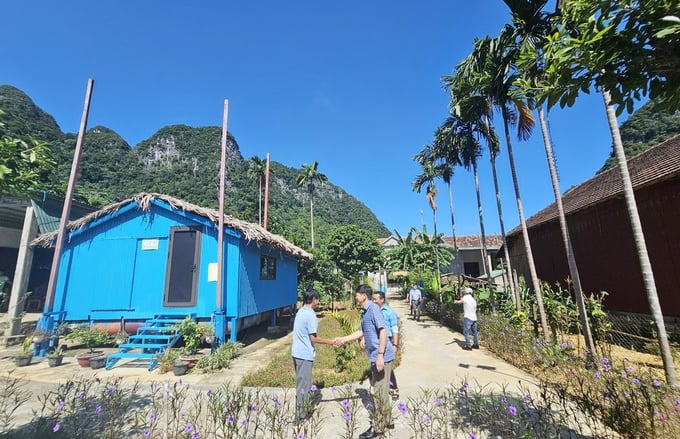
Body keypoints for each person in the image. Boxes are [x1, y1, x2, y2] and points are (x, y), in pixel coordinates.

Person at [336, 284, 395, 439]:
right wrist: (343, 339)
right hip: (375, 355)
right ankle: (388, 420)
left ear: (364, 295)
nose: (355, 297)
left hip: (381, 356)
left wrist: (380, 355)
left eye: (357, 294)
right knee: (381, 390)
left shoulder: (373, 309)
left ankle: (378, 427)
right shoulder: (365, 311)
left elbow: (383, 331)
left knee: (378, 393)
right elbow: (362, 331)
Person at [291, 288, 336, 420]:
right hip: (304, 355)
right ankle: (300, 416)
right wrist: (331, 342)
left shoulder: (301, 311)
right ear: (314, 300)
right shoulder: (310, 314)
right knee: (304, 385)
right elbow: (313, 338)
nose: (318, 301)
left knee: (302, 383)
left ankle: (302, 411)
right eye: (318, 299)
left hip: (297, 353)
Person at [372, 290, 400, 400]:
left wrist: (395, 345)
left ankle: (394, 388)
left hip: (387, 341)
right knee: (376, 365)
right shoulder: (373, 311)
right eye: (373, 299)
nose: (374, 301)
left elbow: (395, 329)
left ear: (382, 300)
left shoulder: (389, 312)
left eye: (376, 299)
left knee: (388, 368)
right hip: (376, 341)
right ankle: (376, 386)